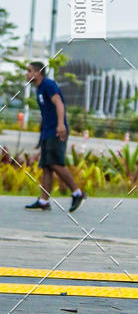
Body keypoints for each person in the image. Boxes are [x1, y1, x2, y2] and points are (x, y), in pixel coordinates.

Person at [24, 61, 86, 213]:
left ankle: (77, 193)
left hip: (56, 131)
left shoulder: (48, 85)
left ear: (39, 73)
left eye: (30, 71)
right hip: (47, 131)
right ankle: (44, 201)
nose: (27, 74)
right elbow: (47, 110)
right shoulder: (38, 89)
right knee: (46, 166)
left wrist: (60, 125)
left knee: (56, 163)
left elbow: (59, 103)